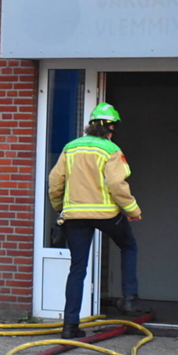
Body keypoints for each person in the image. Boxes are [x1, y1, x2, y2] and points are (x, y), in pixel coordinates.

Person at [48, 102, 143, 340]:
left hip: (75, 217)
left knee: (77, 270)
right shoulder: (110, 149)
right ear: (110, 127)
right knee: (128, 246)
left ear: (90, 126)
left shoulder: (70, 148)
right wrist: (132, 210)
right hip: (107, 215)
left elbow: (55, 180)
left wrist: (59, 207)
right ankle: (129, 300)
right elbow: (116, 184)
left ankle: (69, 327)